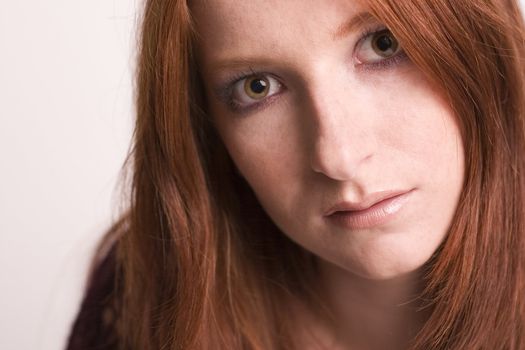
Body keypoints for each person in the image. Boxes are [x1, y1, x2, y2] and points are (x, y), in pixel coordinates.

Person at [66, 0, 525, 349]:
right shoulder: (142, 303)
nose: (338, 156)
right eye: (258, 87)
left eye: (383, 44)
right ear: (208, 130)